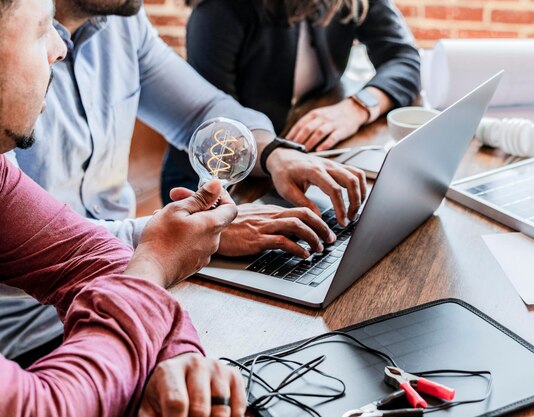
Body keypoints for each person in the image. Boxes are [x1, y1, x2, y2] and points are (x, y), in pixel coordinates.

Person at [2, 0, 367, 361]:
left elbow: (202, 110)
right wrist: (172, 237)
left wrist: (274, 153)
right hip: (33, 332)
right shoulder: (11, 62)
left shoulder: (123, 24)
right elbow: (34, 242)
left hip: (138, 275)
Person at [0, 0, 245, 414]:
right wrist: (153, 261)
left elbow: (90, 257)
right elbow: (43, 406)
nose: (60, 50)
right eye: (42, 29)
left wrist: (175, 360)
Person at [161, 0, 421, 200]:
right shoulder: (219, 8)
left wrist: (357, 108)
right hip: (216, 177)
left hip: (299, 156)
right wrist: (277, 156)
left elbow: (404, 59)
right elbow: (216, 125)